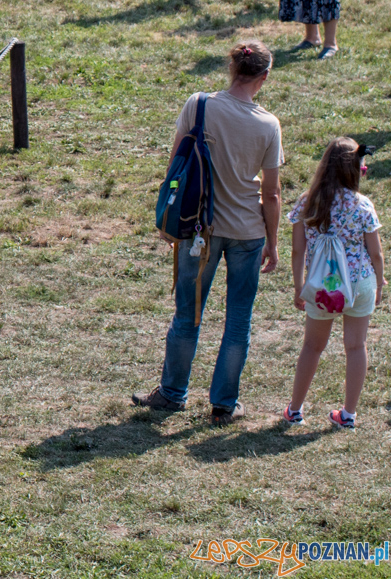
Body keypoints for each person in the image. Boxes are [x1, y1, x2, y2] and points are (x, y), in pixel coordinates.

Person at [134, 41, 283, 425]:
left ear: (231, 68)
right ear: (264, 78)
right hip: (248, 233)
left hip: (198, 227)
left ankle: (172, 394)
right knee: (238, 319)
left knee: (188, 313)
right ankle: (223, 404)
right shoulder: (268, 125)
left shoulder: (198, 104)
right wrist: (274, 243)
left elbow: (176, 165)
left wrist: (169, 218)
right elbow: (272, 193)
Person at [283, 138, 383, 430]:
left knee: (312, 347)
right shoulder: (362, 204)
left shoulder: (307, 202)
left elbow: (298, 251)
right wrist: (379, 283)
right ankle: (348, 414)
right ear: (355, 168)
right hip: (360, 283)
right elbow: (375, 253)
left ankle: (295, 410)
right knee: (356, 346)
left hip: (324, 288)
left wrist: (298, 286)